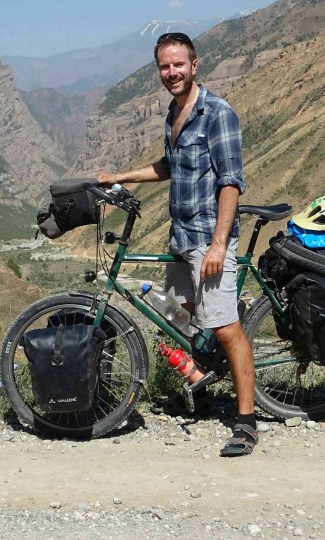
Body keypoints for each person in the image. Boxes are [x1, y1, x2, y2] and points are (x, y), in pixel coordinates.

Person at [97, 32, 258, 457]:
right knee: (178, 313)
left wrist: (220, 245)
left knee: (224, 328)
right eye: (165, 67)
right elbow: (170, 166)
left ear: (194, 64)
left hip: (209, 237)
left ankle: (246, 422)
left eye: (178, 65)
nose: (171, 73)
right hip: (181, 235)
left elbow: (230, 182)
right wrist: (122, 176)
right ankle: (202, 385)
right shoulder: (174, 112)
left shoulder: (217, 113)